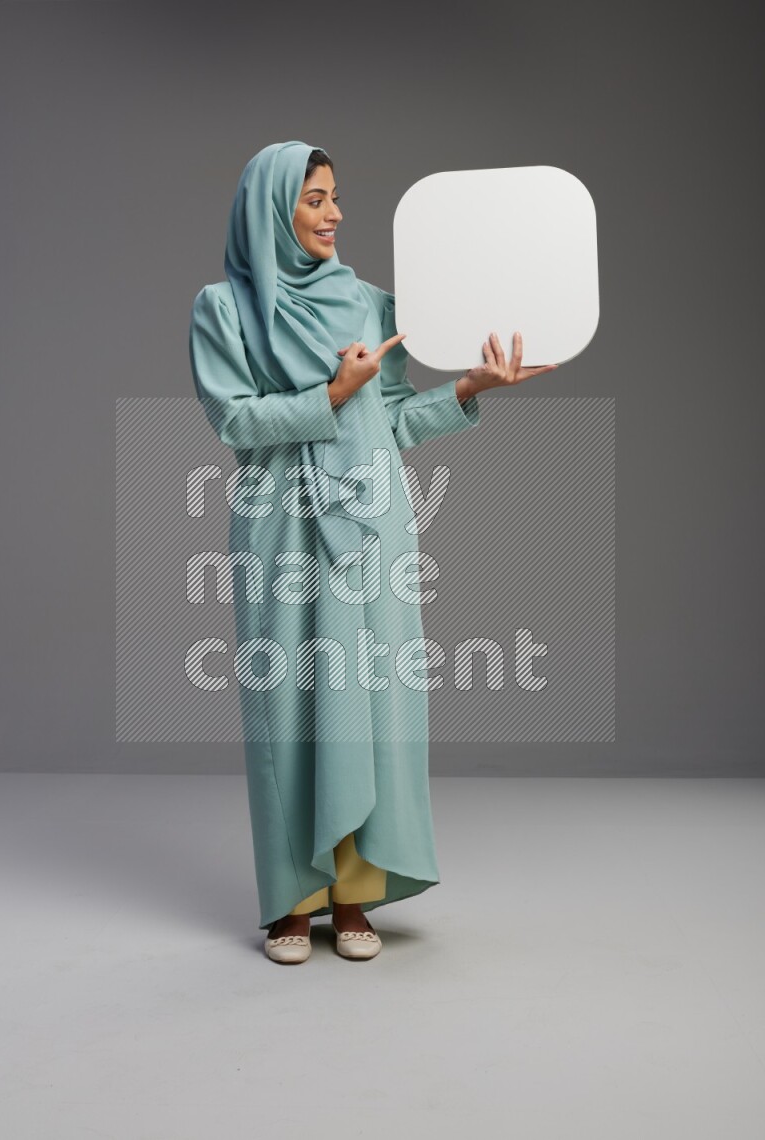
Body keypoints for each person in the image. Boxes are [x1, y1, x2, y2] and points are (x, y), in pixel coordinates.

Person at [188, 141, 557, 964]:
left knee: (371, 707)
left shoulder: (367, 302)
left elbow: (391, 424)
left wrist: (467, 391)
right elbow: (236, 424)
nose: (335, 215)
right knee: (289, 707)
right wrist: (329, 395)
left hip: (374, 524)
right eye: (316, 199)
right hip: (283, 525)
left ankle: (356, 893)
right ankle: (292, 900)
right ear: (271, 209)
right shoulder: (225, 309)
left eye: (336, 198)